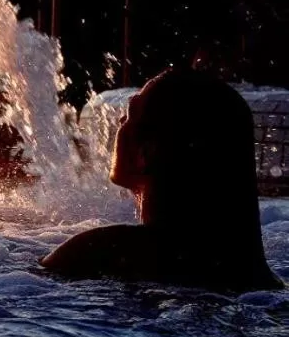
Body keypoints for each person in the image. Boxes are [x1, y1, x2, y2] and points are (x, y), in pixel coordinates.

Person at [40, 67, 281, 293]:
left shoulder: (101, 253)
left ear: (146, 153)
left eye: (128, 116)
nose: (119, 125)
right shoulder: (260, 278)